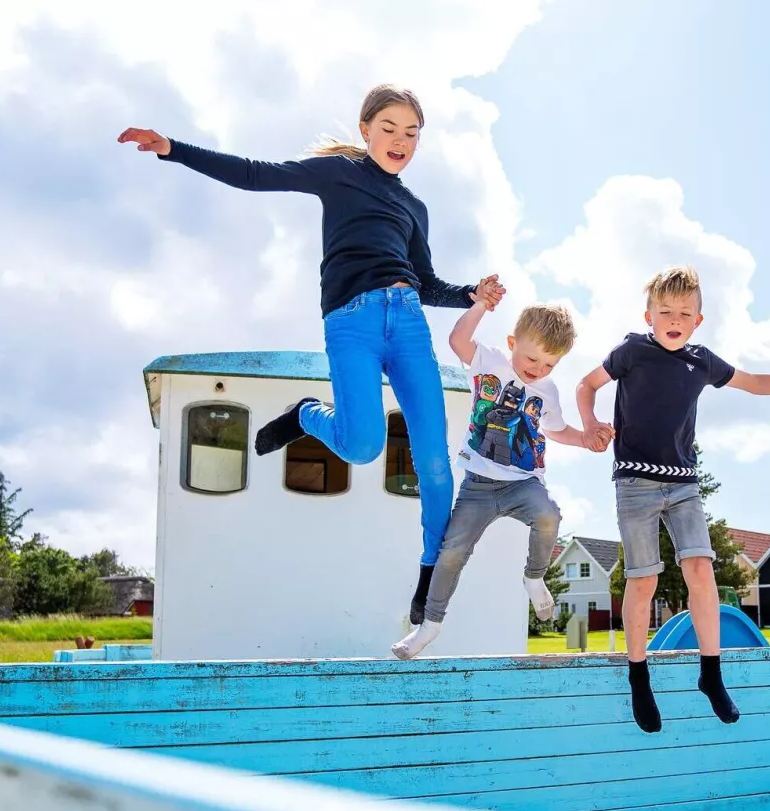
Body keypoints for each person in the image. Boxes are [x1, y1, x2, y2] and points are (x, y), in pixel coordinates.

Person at [119, 85, 506, 624]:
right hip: (352, 322)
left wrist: (470, 296)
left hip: (409, 324)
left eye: (412, 133)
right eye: (389, 129)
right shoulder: (337, 174)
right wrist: (173, 149)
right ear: (366, 129)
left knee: (436, 464)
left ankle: (427, 579)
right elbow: (257, 173)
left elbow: (425, 280)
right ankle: (306, 413)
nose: (401, 141)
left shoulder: (414, 206)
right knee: (364, 445)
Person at [576, 266, 770, 732]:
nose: (674, 319)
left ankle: (711, 673)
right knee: (643, 581)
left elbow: (755, 383)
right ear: (649, 315)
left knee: (700, 569)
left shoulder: (701, 361)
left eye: (684, 312)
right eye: (665, 312)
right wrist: (590, 424)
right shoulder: (632, 352)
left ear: (698, 320)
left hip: (683, 484)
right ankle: (639, 678)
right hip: (634, 485)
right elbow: (586, 385)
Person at [392, 300, 611, 658]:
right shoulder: (488, 360)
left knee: (549, 515)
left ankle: (534, 577)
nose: (537, 370)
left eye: (549, 365)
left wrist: (586, 437)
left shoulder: (548, 391)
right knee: (451, 554)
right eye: (531, 359)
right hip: (477, 486)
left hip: (523, 483)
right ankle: (428, 626)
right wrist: (480, 305)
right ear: (512, 343)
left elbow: (556, 430)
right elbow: (457, 339)